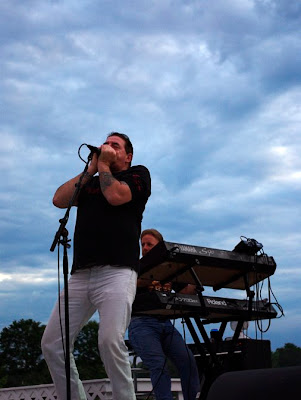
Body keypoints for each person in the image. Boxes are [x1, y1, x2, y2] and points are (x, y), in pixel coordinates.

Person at [41, 132, 151, 400]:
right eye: (106, 144)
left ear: (128, 155)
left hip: (117, 272)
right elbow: (59, 199)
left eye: (115, 146)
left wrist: (102, 165)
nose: (108, 148)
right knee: (52, 343)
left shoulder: (137, 174)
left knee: (110, 340)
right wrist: (91, 168)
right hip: (81, 274)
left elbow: (116, 196)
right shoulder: (90, 182)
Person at [128, 229, 201, 400]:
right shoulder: (135, 266)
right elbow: (126, 285)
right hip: (141, 323)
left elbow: (185, 290)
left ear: (160, 247)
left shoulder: (169, 269)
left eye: (149, 244)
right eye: (143, 244)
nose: (145, 248)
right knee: (158, 365)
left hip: (165, 323)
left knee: (188, 362)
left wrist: (197, 278)